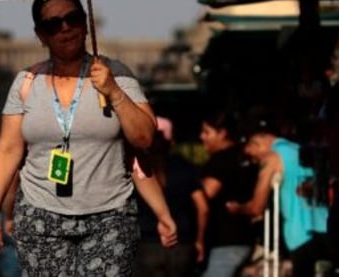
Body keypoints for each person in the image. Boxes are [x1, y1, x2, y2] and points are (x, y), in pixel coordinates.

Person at [0, 0, 157, 276]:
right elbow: (8, 149)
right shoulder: (26, 82)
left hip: (110, 217)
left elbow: (146, 138)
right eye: (53, 24)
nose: (65, 28)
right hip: (41, 217)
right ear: (41, 35)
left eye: (72, 18)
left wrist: (114, 92)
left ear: (85, 25)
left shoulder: (117, 75)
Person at [226, 116, 330, 276]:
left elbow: (256, 207)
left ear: (256, 142)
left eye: (251, 155)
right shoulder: (301, 150)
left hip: (300, 235)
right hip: (325, 228)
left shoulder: (272, 158)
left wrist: (238, 209)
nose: (253, 160)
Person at [134, 118, 208, 276]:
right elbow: (203, 207)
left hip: (146, 244)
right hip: (181, 244)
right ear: (171, 142)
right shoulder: (186, 167)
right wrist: (200, 240)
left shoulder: (138, 169)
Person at [199, 110, 259, 276]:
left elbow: (207, 192)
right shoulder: (243, 156)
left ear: (222, 133)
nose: (202, 137)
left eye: (206, 132)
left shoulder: (222, 160)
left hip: (226, 240)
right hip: (241, 237)